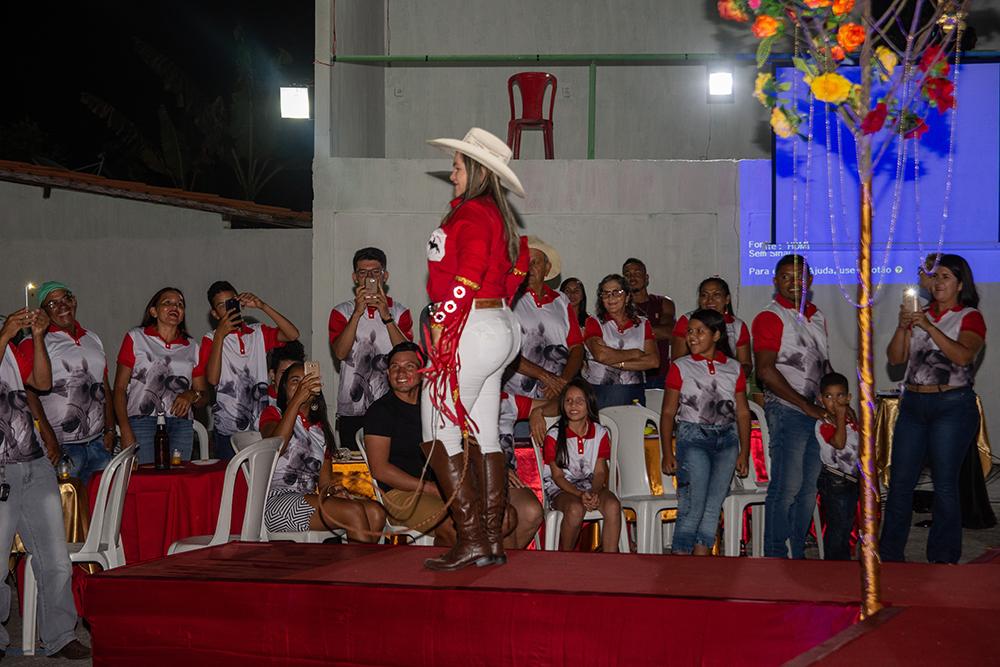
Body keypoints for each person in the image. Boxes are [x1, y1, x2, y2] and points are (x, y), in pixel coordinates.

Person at [421, 127, 529, 571]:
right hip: (498, 323)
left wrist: (444, 323)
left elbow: (465, 278)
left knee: (436, 431)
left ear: (478, 171)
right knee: (484, 430)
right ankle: (489, 541)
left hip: (472, 326)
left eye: (459, 166)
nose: (452, 174)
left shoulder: (470, 216)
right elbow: (512, 273)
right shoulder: (496, 216)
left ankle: (471, 538)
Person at [882, 254, 985, 564]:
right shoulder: (918, 314)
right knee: (900, 482)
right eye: (935, 276)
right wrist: (903, 328)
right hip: (913, 403)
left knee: (944, 483)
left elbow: (963, 356)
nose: (938, 282)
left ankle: (943, 558)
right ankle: (889, 555)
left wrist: (927, 325)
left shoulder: (969, 316)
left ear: (960, 284)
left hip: (951, 405)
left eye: (945, 277)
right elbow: (896, 359)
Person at [0, 306, 91, 659]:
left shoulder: (9, 345)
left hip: (33, 460)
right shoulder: (4, 339)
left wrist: (37, 337)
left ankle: (60, 635)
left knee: (55, 556)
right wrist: (7, 333)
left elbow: (40, 382)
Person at [751, 255, 830, 559]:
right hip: (788, 410)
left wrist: (834, 401)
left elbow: (823, 366)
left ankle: (796, 553)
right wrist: (805, 406)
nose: (793, 282)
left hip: (815, 412)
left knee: (809, 489)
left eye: (799, 277)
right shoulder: (771, 317)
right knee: (787, 487)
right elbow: (766, 371)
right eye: (785, 277)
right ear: (775, 282)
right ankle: (775, 555)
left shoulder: (818, 316)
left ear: (810, 281)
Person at [260, 363, 385, 542]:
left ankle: (353, 566)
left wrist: (334, 489)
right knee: (353, 512)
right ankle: (360, 570)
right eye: (295, 380)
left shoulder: (320, 431)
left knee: (376, 512)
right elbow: (275, 448)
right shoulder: (273, 414)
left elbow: (324, 483)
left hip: (308, 499)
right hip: (276, 501)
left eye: (307, 380)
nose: (302, 384)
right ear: (283, 388)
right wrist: (296, 401)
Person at [660, 309, 750, 556]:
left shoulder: (733, 368)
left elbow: (743, 412)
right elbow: (668, 413)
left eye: (700, 331)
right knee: (692, 504)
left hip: (727, 440)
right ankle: (681, 561)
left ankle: (701, 567)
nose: (692, 337)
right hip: (693, 438)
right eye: (690, 331)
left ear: (716, 334)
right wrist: (667, 451)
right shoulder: (681, 367)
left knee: (712, 507)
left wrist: (745, 452)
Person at [21, 282, 115, 485]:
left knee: (100, 510)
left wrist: (110, 430)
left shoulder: (93, 338)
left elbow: (104, 386)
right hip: (62, 448)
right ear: (43, 311)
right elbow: (29, 395)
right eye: (53, 303)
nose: (62, 305)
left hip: (98, 444)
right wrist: (50, 440)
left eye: (66, 299)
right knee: (66, 512)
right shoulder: (34, 343)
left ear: (75, 301)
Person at [199, 281, 299, 460]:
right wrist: (220, 336)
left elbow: (293, 334)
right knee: (232, 481)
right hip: (227, 430)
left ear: (239, 304)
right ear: (214, 313)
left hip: (259, 425)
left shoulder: (257, 333)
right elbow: (213, 379)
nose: (229, 309)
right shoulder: (210, 339)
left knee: (257, 481)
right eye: (222, 306)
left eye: (232, 302)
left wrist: (262, 306)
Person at [329, 247, 413, 450]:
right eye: (363, 272)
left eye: (375, 272)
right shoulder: (342, 311)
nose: (369, 277)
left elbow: (408, 353)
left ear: (384, 276)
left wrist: (387, 316)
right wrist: (357, 314)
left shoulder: (400, 312)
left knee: (394, 462)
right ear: (355, 277)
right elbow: (340, 353)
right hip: (353, 408)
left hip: (393, 405)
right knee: (355, 471)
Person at [114, 287, 209, 464]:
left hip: (180, 424)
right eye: (168, 303)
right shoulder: (136, 337)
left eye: (180, 304)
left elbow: (204, 395)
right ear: (153, 311)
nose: (175, 307)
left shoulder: (192, 346)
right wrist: (125, 429)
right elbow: (119, 389)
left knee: (178, 481)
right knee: (147, 481)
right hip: (142, 421)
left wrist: (191, 395)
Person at [542, 379, 622, 552]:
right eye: (568, 401)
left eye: (579, 401)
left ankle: (611, 561)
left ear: (589, 404)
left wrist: (592, 492)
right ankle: (567, 557)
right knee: (575, 509)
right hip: (561, 488)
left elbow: (600, 472)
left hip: (590, 485)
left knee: (613, 505)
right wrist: (580, 494)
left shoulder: (600, 432)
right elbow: (557, 476)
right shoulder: (554, 435)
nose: (573, 405)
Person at [506, 237, 583, 399]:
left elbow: (576, 347)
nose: (529, 268)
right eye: (525, 262)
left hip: (557, 396)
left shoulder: (561, 300)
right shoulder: (508, 299)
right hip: (517, 398)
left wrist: (563, 381)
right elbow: (505, 350)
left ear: (547, 269)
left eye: (535, 263)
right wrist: (545, 376)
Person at [582, 274, 659, 409]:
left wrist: (616, 362)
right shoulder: (594, 322)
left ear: (628, 297)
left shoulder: (642, 324)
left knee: (633, 428)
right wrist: (635, 353)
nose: (610, 298)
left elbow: (653, 361)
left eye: (616, 292)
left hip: (634, 391)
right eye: (605, 294)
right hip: (601, 392)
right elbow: (601, 355)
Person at [814, 372, 859, 561]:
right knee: (837, 528)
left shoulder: (850, 417)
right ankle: (834, 565)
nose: (834, 401)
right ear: (820, 399)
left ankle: (842, 562)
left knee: (847, 524)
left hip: (852, 479)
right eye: (828, 396)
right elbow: (839, 444)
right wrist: (841, 417)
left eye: (840, 395)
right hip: (834, 481)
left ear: (848, 398)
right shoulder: (823, 423)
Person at [672, 276, 752, 378]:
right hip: (692, 381)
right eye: (704, 295)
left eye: (716, 295)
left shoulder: (737, 325)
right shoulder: (687, 321)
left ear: (727, 299)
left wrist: (729, 378)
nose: (710, 300)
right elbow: (677, 360)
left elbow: (746, 364)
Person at [622, 258, 675, 388]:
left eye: (637, 273)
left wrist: (632, 331)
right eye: (627, 274)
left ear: (646, 278)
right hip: (629, 376)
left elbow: (669, 332)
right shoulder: (619, 307)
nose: (632, 277)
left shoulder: (663, 303)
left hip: (659, 375)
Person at [267, 340, 306, 407]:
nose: (288, 379)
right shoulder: (262, 402)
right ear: (272, 374)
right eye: (284, 373)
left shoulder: (306, 399)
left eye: (295, 376)